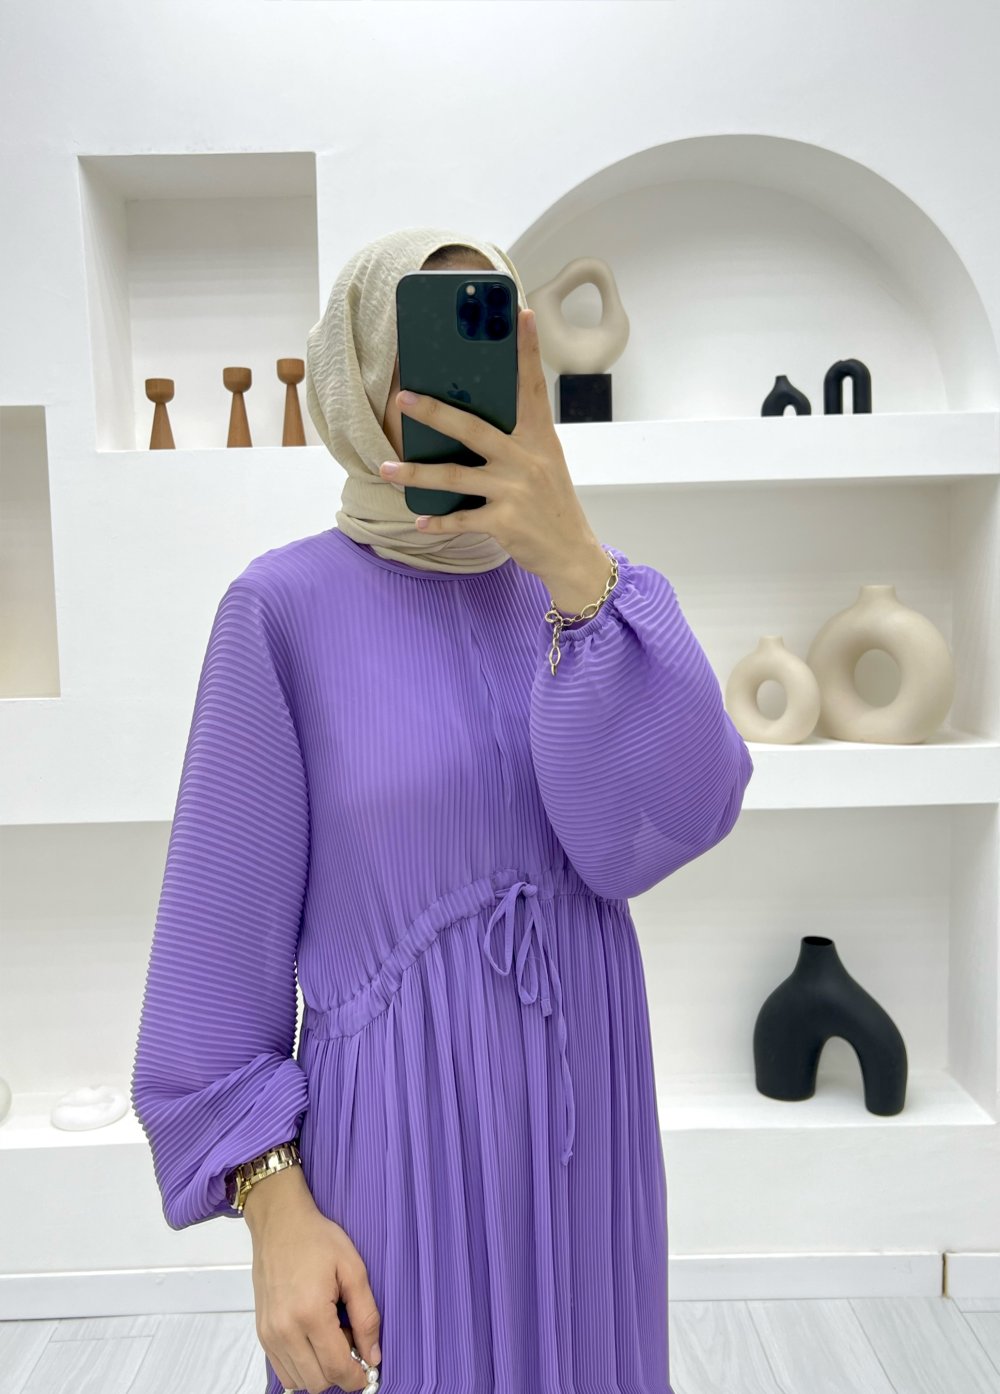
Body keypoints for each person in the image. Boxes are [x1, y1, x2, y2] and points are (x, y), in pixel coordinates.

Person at [130, 225, 755, 1394]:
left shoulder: (587, 594)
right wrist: (273, 1207)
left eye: (485, 337)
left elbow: (680, 812)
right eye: (422, 344)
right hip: (400, 1157)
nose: (453, 388)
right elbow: (211, 981)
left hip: (591, 1135)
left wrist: (579, 569)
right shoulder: (281, 610)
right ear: (359, 376)